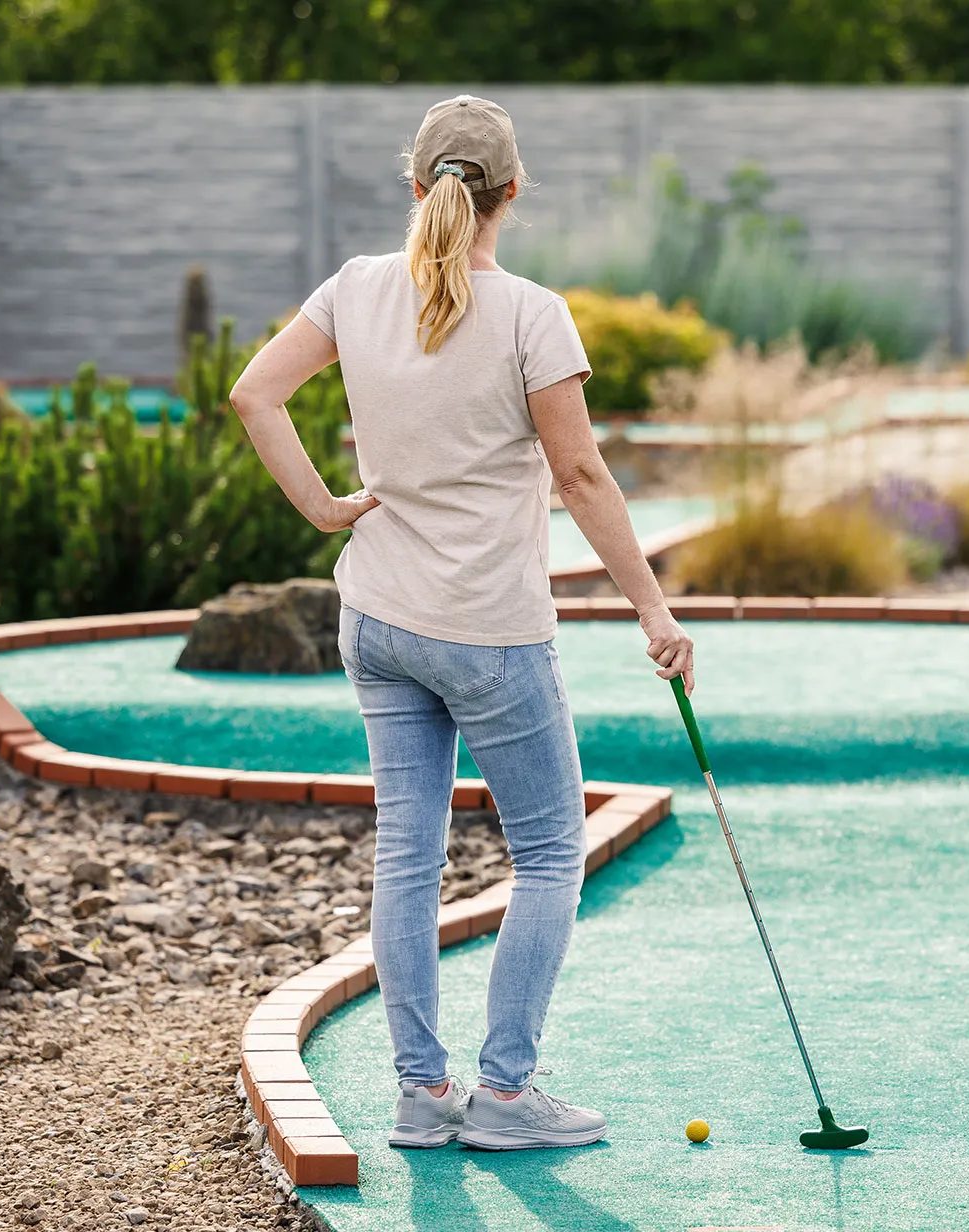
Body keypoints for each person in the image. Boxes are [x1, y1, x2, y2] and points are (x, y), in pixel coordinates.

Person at [228, 94, 695, 1152]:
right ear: (513, 193)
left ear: (415, 186)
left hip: (379, 614)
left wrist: (323, 507)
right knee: (546, 853)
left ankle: (419, 1094)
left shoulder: (354, 289)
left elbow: (256, 395)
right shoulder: (533, 312)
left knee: (407, 854)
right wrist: (653, 608)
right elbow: (579, 471)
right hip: (487, 630)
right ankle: (507, 1094)